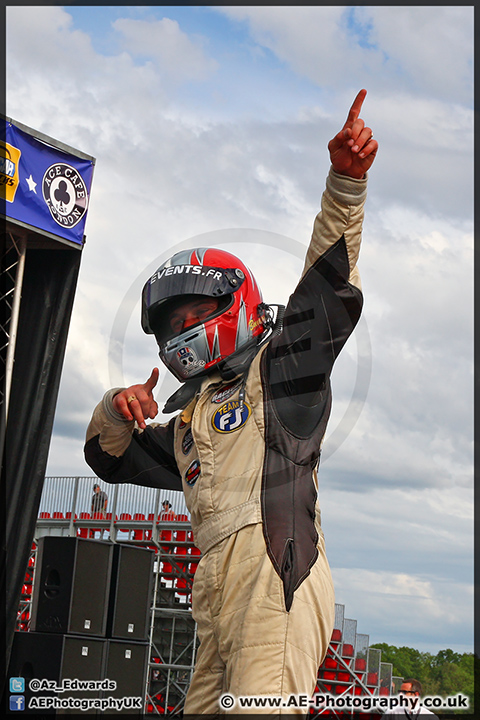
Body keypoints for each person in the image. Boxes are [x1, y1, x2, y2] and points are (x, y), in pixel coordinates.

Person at [85, 89, 378, 714]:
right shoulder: (191, 426)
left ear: (237, 304)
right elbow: (109, 459)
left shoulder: (282, 372)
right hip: (216, 591)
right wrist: (118, 405)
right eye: (172, 321)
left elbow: (325, 288)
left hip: (274, 577)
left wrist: (344, 189)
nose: (183, 327)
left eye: (197, 310)